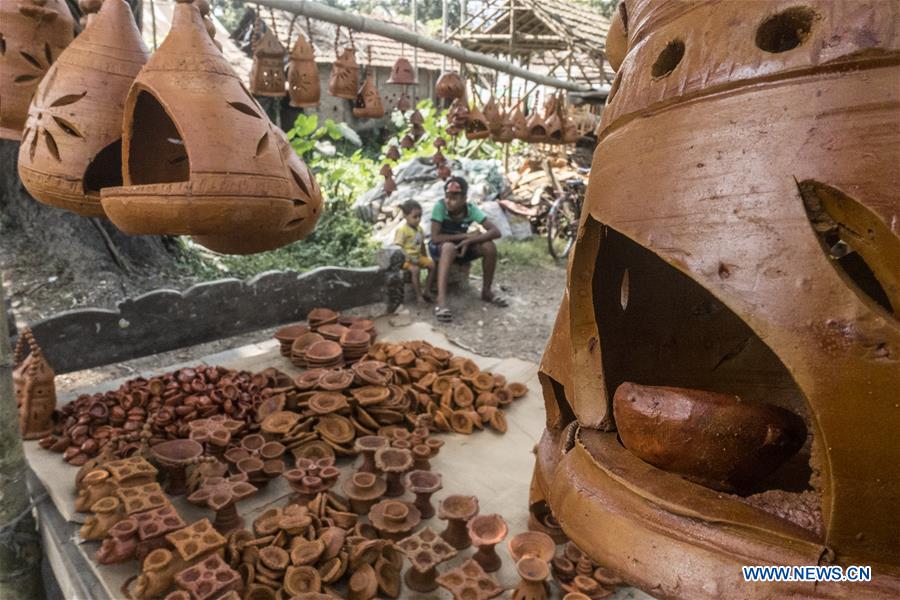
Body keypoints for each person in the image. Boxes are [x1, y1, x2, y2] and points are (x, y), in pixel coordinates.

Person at [429, 176, 507, 323]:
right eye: (447, 196)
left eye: (454, 197)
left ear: (464, 198)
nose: (449, 201)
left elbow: (495, 232)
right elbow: (435, 238)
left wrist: (470, 240)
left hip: (462, 247)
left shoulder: (470, 209)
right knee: (448, 247)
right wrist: (464, 236)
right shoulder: (440, 207)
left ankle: (486, 291)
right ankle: (441, 301)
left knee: (489, 246)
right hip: (440, 248)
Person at [394, 199, 435, 304]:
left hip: (417, 257)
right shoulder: (402, 230)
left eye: (420, 216)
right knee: (415, 270)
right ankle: (419, 296)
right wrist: (409, 259)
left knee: (432, 265)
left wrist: (425, 257)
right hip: (406, 259)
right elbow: (398, 248)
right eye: (415, 217)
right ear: (405, 216)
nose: (418, 219)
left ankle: (427, 290)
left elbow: (421, 245)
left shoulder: (420, 229)